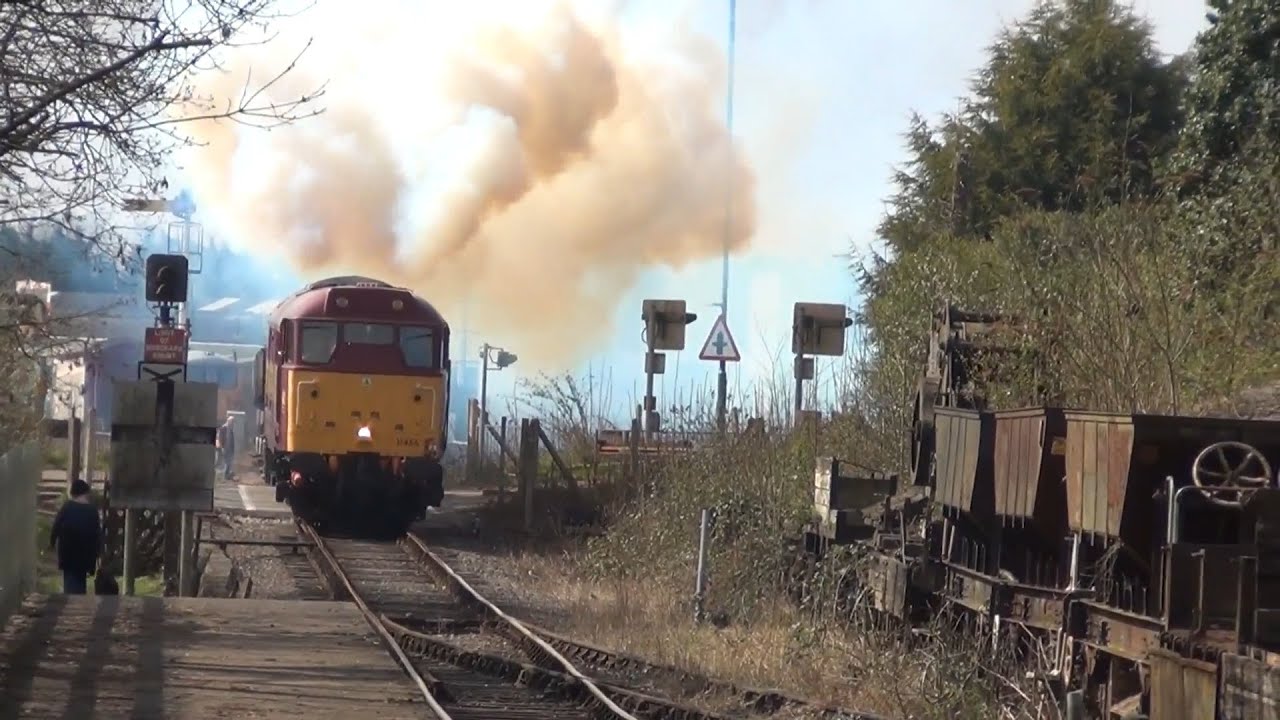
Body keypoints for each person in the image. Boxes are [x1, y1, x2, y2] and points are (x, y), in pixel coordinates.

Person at [49, 478, 101, 595]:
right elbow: (97, 534)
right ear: (86, 493)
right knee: (80, 579)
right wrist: (97, 553)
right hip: (85, 553)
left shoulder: (67, 507)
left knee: (69, 578)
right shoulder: (92, 511)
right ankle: (78, 599)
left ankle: (71, 599)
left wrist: (52, 542)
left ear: (72, 493)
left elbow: (56, 526)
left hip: (67, 551)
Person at [217, 415, 236, 480]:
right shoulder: (224, 428)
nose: (233, 423)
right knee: (227, 462)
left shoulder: (230, 429)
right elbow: (220, 437)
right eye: (232, 422)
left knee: (229, 462)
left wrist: (233, 449)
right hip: (225, 447)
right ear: (229, 421)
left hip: (229, 448)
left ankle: (227, 475)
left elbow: (232, 439)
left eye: (233, 422)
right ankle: (225, 476)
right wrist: (222, 446)